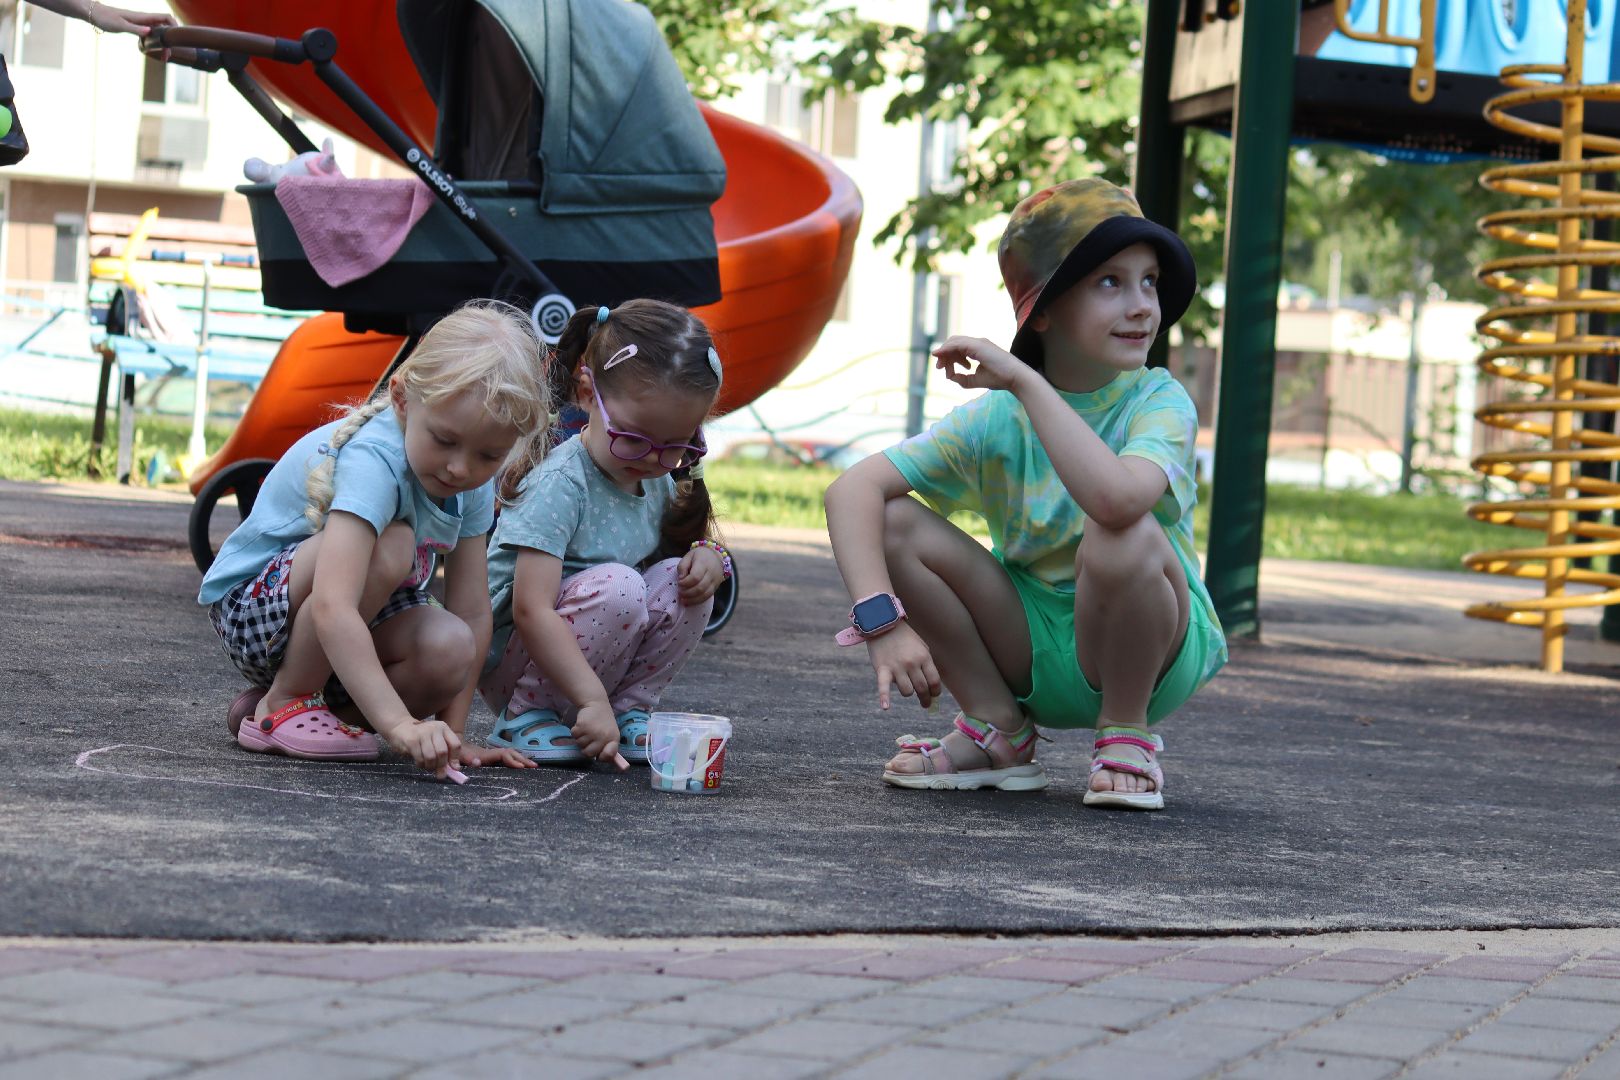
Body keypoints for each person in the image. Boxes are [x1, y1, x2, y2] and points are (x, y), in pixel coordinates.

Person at [823, 177, 1226, 810]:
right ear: (1043, 310)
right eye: (1110, 282)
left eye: (1149, 280)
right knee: (894, 520)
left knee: (1121, 530)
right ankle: (998, 732)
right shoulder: (994, 420)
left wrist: (1025, 383)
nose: (1144, 304)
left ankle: (1125, 732)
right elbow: (851, 490)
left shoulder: (1159, 401)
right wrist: (882, 623)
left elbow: (1118, 502)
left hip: (1148, 649)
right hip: (1031, 645)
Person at [198, 300, 550, 777]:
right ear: (404, 399)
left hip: (345, 624)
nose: (460, 467)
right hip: (257, 612)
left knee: (452, 647)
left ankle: (293, 718)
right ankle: (287, 701)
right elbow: (333, 604)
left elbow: (472, 612)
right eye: (444, 441)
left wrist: (454, 735)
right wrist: (401, 727)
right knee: (394, 545)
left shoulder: (470, 480)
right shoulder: (375, 461)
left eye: (489, 455)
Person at [479, 299, 730, 769]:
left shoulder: (654, 477)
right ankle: (527, 715)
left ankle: (627, 711)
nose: (653, 459)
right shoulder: (561, 483)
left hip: (594, 655)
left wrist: (711, 556)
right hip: (518, 661)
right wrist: (589, 700)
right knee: (620, 585)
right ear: (587, 392)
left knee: (683, 580)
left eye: (675, 446)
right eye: (634, 437)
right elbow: (529, 609)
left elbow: (672, 565)